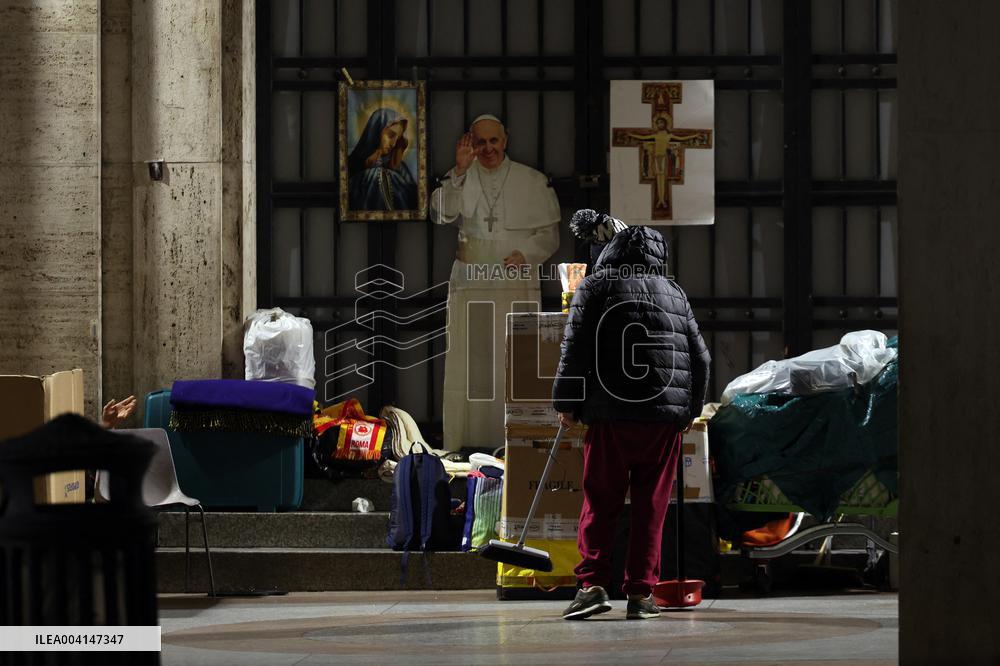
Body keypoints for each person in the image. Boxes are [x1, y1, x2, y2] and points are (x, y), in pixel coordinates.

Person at [551, 224, 710, 620]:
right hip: (662, 420)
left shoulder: (594, 286)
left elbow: (576, 349)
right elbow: (702, 358)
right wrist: (690, 409)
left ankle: (591, 587)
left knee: (600, 501)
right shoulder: (674, 292)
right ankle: (640, 595)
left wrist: (566, 403)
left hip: (611, 416)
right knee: (650, 508)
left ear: (612, 251)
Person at [431, 114, 560, 451]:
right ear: (471, 144)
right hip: (472, 283)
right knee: (471, 362)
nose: (487, 149)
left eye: (493, 141)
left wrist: (527, 254)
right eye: (480, 142)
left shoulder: (530, 180)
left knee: (514, 360)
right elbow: (440, 213)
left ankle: (515, 438)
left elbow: (549, 234)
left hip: (513, 283)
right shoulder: (461, 176)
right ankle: (469, 440)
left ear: (505, 140)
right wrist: (458, 172)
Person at [347, 108, 418, 212]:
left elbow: (413, 197)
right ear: (375, 130)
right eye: (390, 135)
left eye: (397, 139)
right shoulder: (352, 162)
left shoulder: (400, 166)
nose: (393, 144)